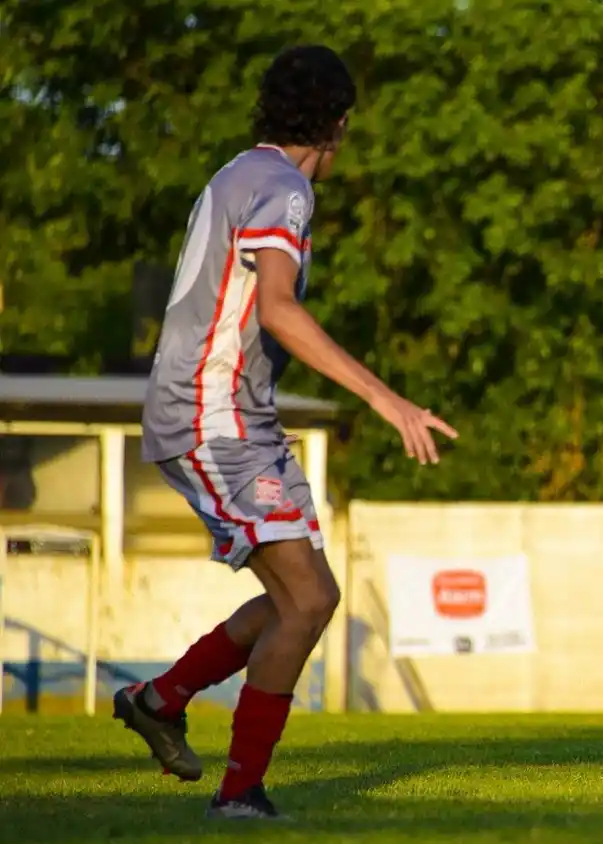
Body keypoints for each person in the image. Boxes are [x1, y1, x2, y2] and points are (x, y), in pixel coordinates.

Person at [113, 45, 457, 820]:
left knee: (306, 597)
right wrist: (388, 400)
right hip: (211, 417)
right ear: (339, 124)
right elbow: (277, 305)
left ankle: (160, 700)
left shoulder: (242, 172)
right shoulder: (285, 188)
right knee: (304, 601)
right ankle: (240, 795)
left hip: (235, 418)